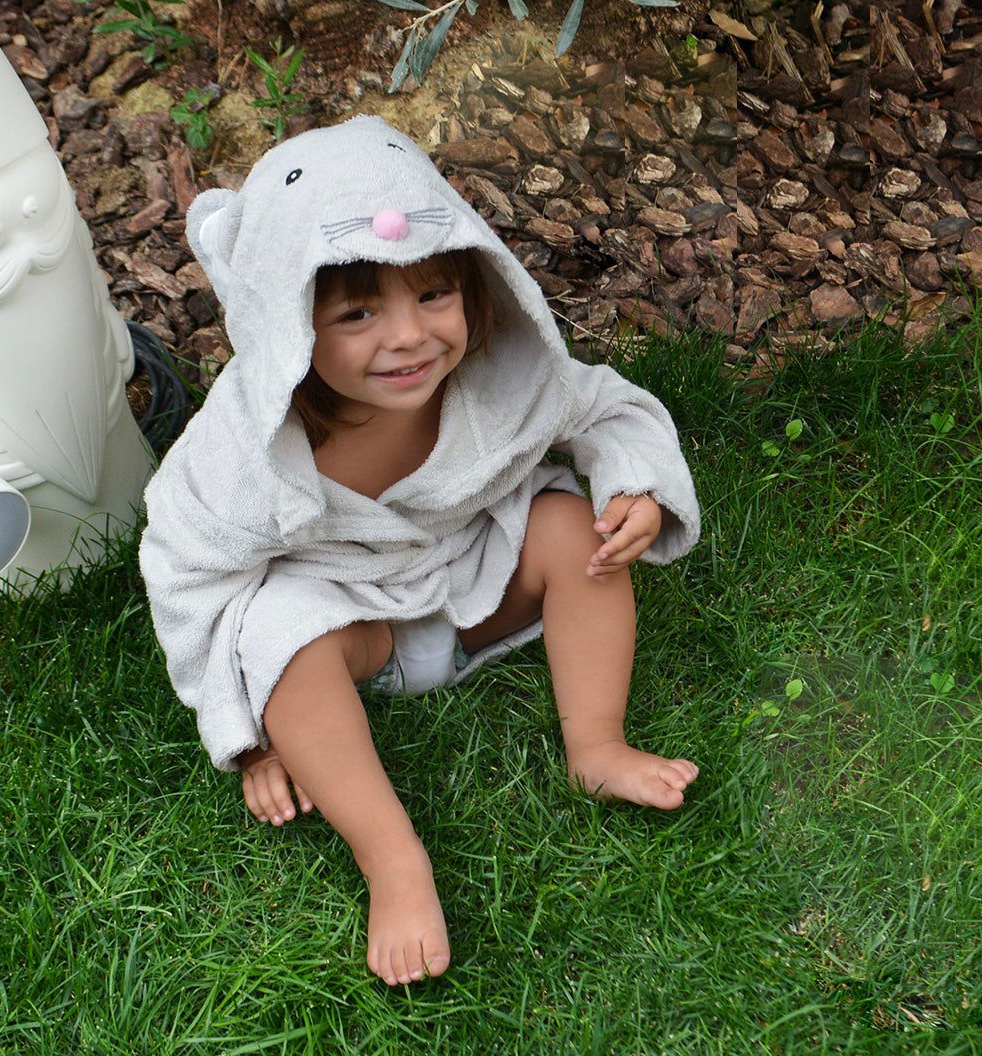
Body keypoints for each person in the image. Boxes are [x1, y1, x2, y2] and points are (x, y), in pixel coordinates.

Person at [140, 116, 701, 988]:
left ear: (475, 283)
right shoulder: (242, 453)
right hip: (349, 626)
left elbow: (609, 410)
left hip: (479, 583)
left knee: (568, 527)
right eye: (357, 312)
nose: (407, 336)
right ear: (288, 327)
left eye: (433, 295)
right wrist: (247, 734)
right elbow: (187, 574)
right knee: (277, 637)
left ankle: (596, 745)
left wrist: (634, 485)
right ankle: (394, 862)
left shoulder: (504, 380)